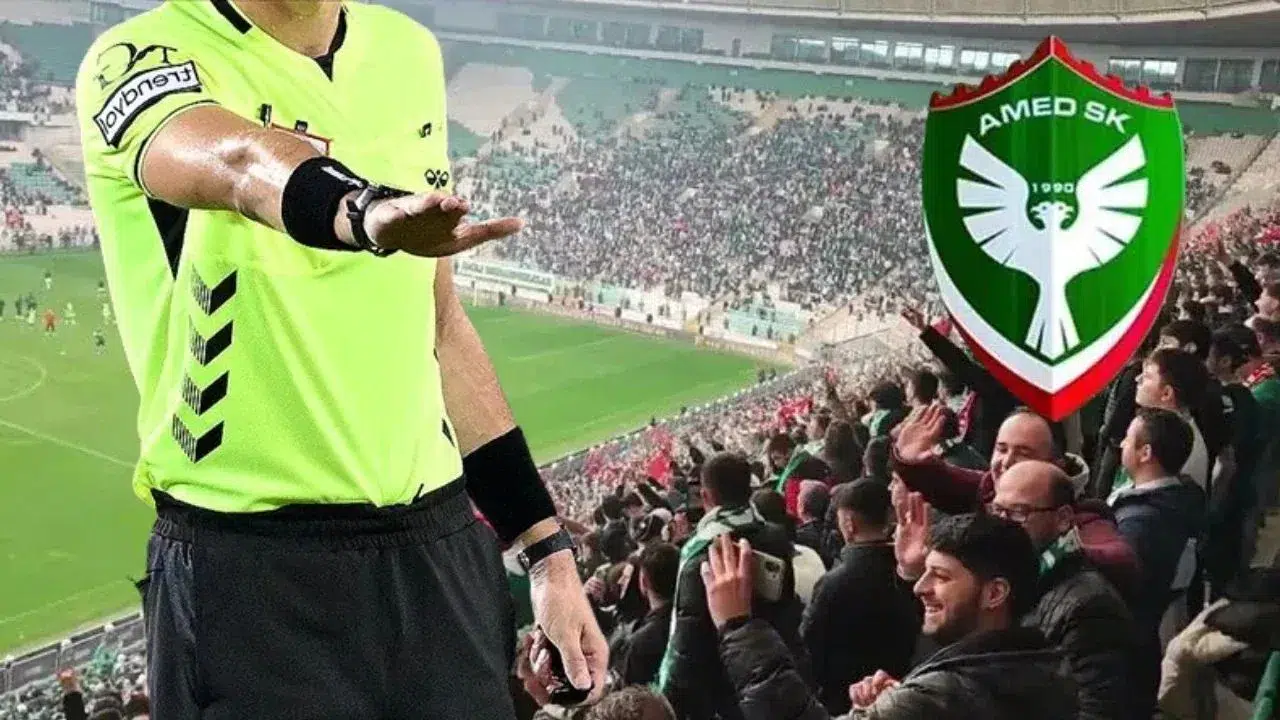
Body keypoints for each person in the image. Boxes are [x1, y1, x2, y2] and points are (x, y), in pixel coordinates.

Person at [76, 1, 601, 717]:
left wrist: (546, 552)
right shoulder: (139, 55)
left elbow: (440, 325)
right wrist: (361, 212)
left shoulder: (407, 51)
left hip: (438, 553)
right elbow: (237, 161)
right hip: (254, 570)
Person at [711, 514, 1077, 720]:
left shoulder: (941, 696)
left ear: (994, 593)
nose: (920, 586)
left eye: (941, 576)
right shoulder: (1041, 663)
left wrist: (740, 627)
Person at [910, 460, 1134, 720]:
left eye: (1018, 513)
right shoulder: (995, 578)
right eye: (997, 510)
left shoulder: (1090, 606)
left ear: (1063, 518)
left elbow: (1098, 712)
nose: (1001, 522)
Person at [891, 405, 1138, 595]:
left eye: (1023, 453)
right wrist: (908, 458)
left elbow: (1119, 559)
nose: (1007, 462)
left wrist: (1053, 554)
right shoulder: (988, 488)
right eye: (1001, 449)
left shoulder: (1078, 518)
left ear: (1055, 465)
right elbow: (942, 480)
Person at [658, 452, 803, 720]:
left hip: (730, 692)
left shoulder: (700, 558)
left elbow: (687, 643)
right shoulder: (774, 535)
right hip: (780, 666)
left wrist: (669, 699)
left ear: (705, 496)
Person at [801, 481, 919, 715]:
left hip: (846, 699)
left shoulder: (833, 584)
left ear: (849, 523)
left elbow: (810, 647)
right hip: (906, 691)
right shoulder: (913, 572)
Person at [611, 543, 678, 686]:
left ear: (644, 581)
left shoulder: (640, 642)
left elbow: (631, 693)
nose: (621, 581)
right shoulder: (692, 618)